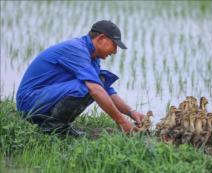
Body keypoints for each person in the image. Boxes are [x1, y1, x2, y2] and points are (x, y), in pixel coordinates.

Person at [16, 20, 145, 137]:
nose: (115, 51)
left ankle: (58, 125)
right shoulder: (76, 49)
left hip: (41, 99)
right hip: (29, 102)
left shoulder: (92, 57)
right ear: (101, 38)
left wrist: (131, 112)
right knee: (89, 87)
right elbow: (95, 90)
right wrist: (122, 122)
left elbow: (106, 90)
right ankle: (53, 128)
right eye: (114, 45)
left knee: (100, 81)